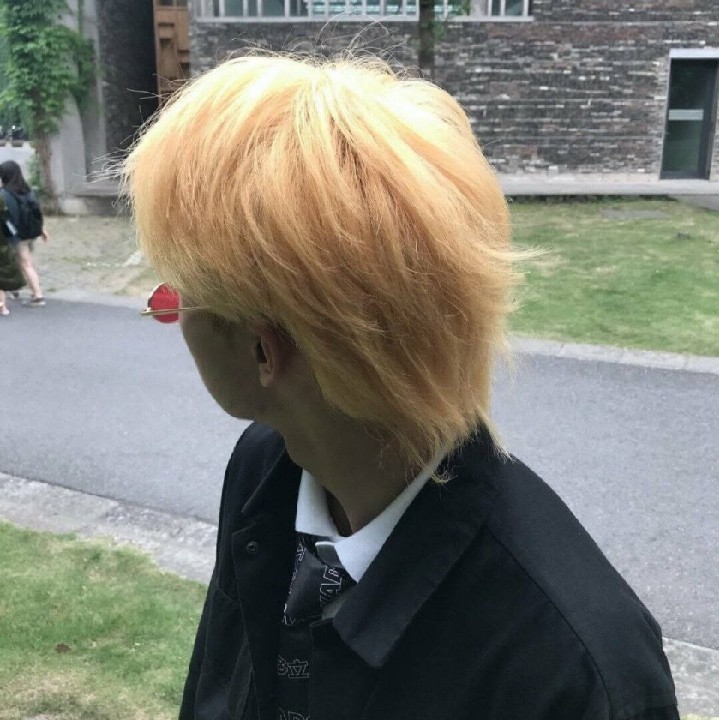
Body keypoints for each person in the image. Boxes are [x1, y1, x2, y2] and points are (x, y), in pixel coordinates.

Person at [124, 55, 680, 720]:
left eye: (175, 293)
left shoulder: (573, 670)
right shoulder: (263, 472)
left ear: (262, 350)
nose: (169, 312)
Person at [0, 160, 48, 307]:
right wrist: (41, 230)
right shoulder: (28, 190)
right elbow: (36, 212)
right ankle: (15, 288)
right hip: (30, 233)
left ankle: (38, 296)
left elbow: (6, 218)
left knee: (25, 264)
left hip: (16, 236)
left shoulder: (4, 194)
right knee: (21, 262)